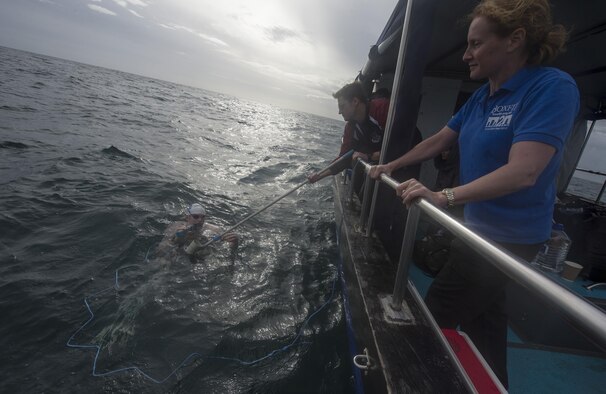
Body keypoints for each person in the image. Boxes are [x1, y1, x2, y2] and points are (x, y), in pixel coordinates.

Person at [370, 0, 579, 387]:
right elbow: (438, 140)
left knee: (434, 315)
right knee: (486, 318)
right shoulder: (482, 96)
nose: (466, 54)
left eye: (476, 44)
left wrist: (444, 196)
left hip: (509, 239)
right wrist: (392, 165)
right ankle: (495, 382)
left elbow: (524, 172)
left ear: (515, 39)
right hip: (479, 226)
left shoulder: (550, 88)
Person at [308, 82, 389, 183]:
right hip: (376, 171)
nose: (339, 112)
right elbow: (343, 158)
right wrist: (319, 176)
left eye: (342, 106)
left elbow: (399, 146)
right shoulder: (350, 127)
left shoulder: (383, 108)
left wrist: (369, 156)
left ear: (355, 101)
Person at [158, 203, 238, 256]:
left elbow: (227, 250)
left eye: (203, 217)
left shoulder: (214, 229)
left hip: (201, 256)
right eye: (196, 216)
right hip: (180, 252)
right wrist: (177, 237)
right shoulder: (175, 226)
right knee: (164, 260)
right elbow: (161, 249)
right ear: (188, 217)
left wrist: (234, 242)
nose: (200, 220)